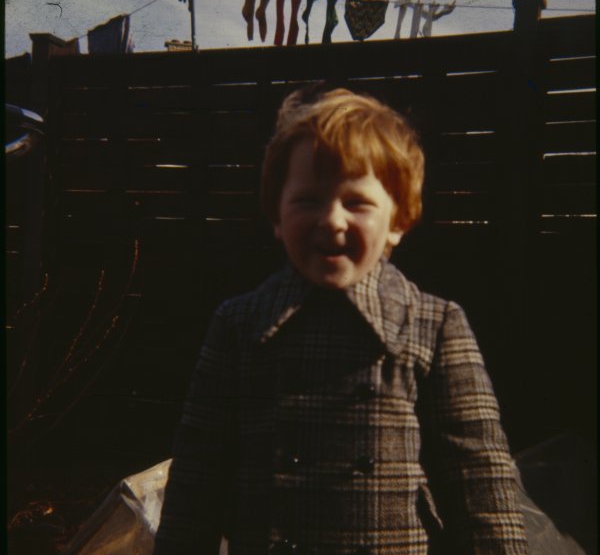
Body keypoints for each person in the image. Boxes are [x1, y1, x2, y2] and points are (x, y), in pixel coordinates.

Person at [153, 86, 528, 555]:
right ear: (276, 215)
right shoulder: (238, 325)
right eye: (308, 200)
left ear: (398, 220)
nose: (332, 220)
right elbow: (195, 481)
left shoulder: (435, 325)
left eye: (356, 202)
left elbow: (481, 483)